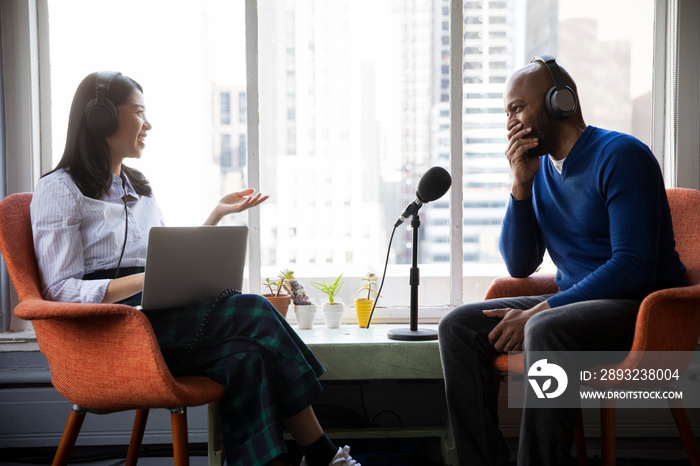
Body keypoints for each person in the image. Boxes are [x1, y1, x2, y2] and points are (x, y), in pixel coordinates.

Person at [30, 71, 360, 466]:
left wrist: (215, 217)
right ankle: (323, 455)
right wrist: (144, 280)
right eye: (138, 112)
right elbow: (60, 289)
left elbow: (171, 263)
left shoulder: (140, 189)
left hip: (159, 314)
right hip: (114, 327)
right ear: (101, 117)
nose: (148, 124)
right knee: (253, 309)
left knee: (246, 358)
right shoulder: (59, 189)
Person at [438, 56, 687, 465]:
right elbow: (520, 264)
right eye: (507, 113)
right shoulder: (540, 172)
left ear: (560, 102)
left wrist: (541, 309)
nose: (510, 123)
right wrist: (520, 184)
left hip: (640, 308)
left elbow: (633, 267)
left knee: (546, 327)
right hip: (573, 303)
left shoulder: (621, 155)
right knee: (459, 326)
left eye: (518, 107)